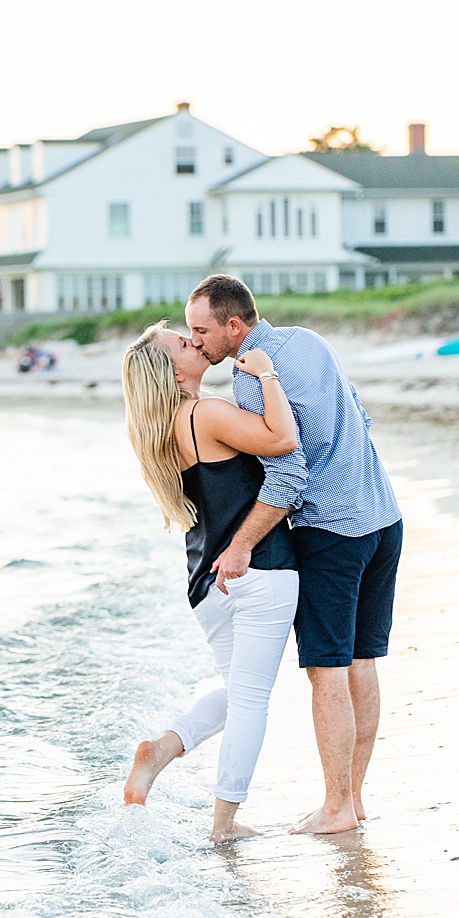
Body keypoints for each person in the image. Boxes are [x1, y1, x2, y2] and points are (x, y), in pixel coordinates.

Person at [184, 274, 403, 835]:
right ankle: (353, 799)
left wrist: (239, 545)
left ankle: (335, 807)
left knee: (326, 670)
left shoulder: (252, 382)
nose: (197, 341)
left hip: (333, 535)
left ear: (235, 327)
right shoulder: (309, 340)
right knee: (362, 662)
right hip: (383, 518)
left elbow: (287, 475)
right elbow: (359, 414)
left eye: (201, 330)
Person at [120, 320, 300, 844]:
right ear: (174, 371)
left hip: (206, 584)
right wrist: (267, 375)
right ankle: (223, 824)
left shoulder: (161, 433)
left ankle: (162, 750)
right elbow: (283, 439)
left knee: (240, 690)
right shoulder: (203, 413)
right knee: (250, 700)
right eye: (183, 342)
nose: (195, 342)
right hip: (255, 568)